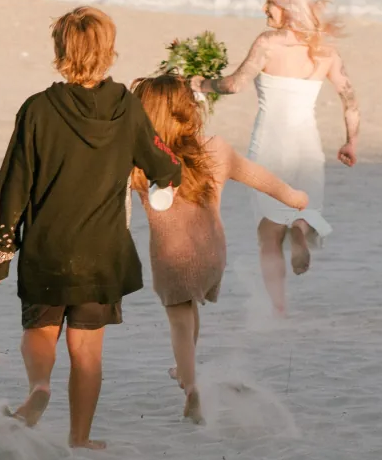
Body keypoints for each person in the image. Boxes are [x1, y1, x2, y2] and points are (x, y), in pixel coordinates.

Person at [0, 6, 180, 450]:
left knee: (39, 331)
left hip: (47, 249)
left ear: (60, 50)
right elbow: (161, 163)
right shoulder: (126, 108)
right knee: (87, 351)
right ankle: (81, 438)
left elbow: (13, 184)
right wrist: (170, 177)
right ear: (109, 51)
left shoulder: (36, 110)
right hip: (102, 252)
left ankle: (38, 389)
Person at [128, 73, 307, 422]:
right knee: (191, 307)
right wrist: (295, 197)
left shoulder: (139, 162)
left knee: (179, 319)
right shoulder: (217, 150)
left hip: (171, 256)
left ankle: (190, 385)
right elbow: (260, 178)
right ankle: (186, 370)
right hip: (211, 254)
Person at [213, 0, 360, 316]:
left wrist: (198, 83)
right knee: (301, 208)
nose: (264, 7)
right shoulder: (325, 50)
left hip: (269, 145)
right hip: (306, 145)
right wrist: (351, 142)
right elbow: (349, 99)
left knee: (267, 235)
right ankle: (301, 228)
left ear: (286, 7)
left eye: (269, 1)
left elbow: (234, 85)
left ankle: (279, 308)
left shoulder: (268, 42)